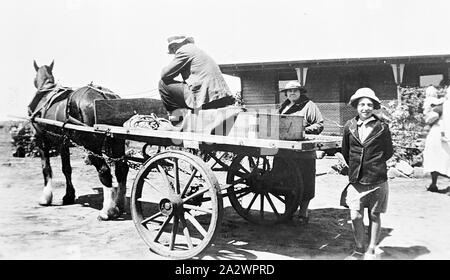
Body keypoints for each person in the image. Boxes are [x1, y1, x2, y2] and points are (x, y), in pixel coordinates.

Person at [340, 87, 393, 260]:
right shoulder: (349, 126)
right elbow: (346, 150)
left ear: (374, 106)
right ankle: (359, 247)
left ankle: (370, 249)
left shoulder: (382, 127)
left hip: (377, 177)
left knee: (374, 214)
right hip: (356, 179)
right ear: (356, 106)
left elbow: (388, 152)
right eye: (361, 104)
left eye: (369, 104)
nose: (365, 108)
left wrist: (373, 164)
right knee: (355, 215)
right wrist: (356, 167)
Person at [158, 35, 235, 122]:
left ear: (175, 46)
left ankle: (176, 120)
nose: (174, 52)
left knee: (163, 84)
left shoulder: (184, 51)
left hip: (206, 97)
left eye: (173, 49)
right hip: (221, 96)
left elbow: (165, 74)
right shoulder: (196, 51)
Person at [278, 80, 324, 225]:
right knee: (285, 181)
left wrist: (303, 129)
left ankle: (303, 212)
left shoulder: (309, 105)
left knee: (305, 181)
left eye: (295, 90)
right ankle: (288, 211)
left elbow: (319, 124)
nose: (292, 93)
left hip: (302, 151)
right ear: (286, 93)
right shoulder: (283, 106)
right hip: (285, 150)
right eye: (289, 91)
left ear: (300, 92)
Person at [423, 86, 450, 193]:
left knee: (440, 159)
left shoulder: (443, 105)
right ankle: (433, 184)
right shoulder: (442, 105)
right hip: (439, 135)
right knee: (438, 158)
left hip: (440, 135)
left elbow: (431, 118)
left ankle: (433, 184)